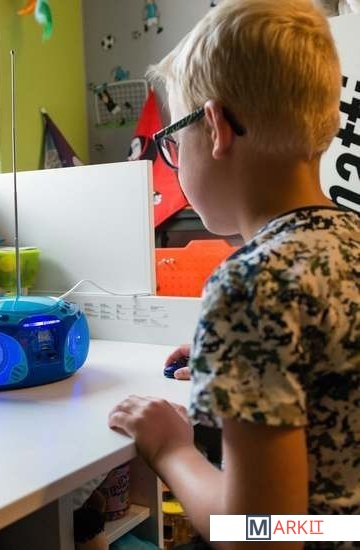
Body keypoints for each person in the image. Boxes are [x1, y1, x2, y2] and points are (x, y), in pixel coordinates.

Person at [108, 0, 359, 547]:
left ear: (216, 127)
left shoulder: (252, 285)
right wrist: (230, 360)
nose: (174, 157)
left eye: (174, 140)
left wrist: (171, 447)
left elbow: (259, 534)